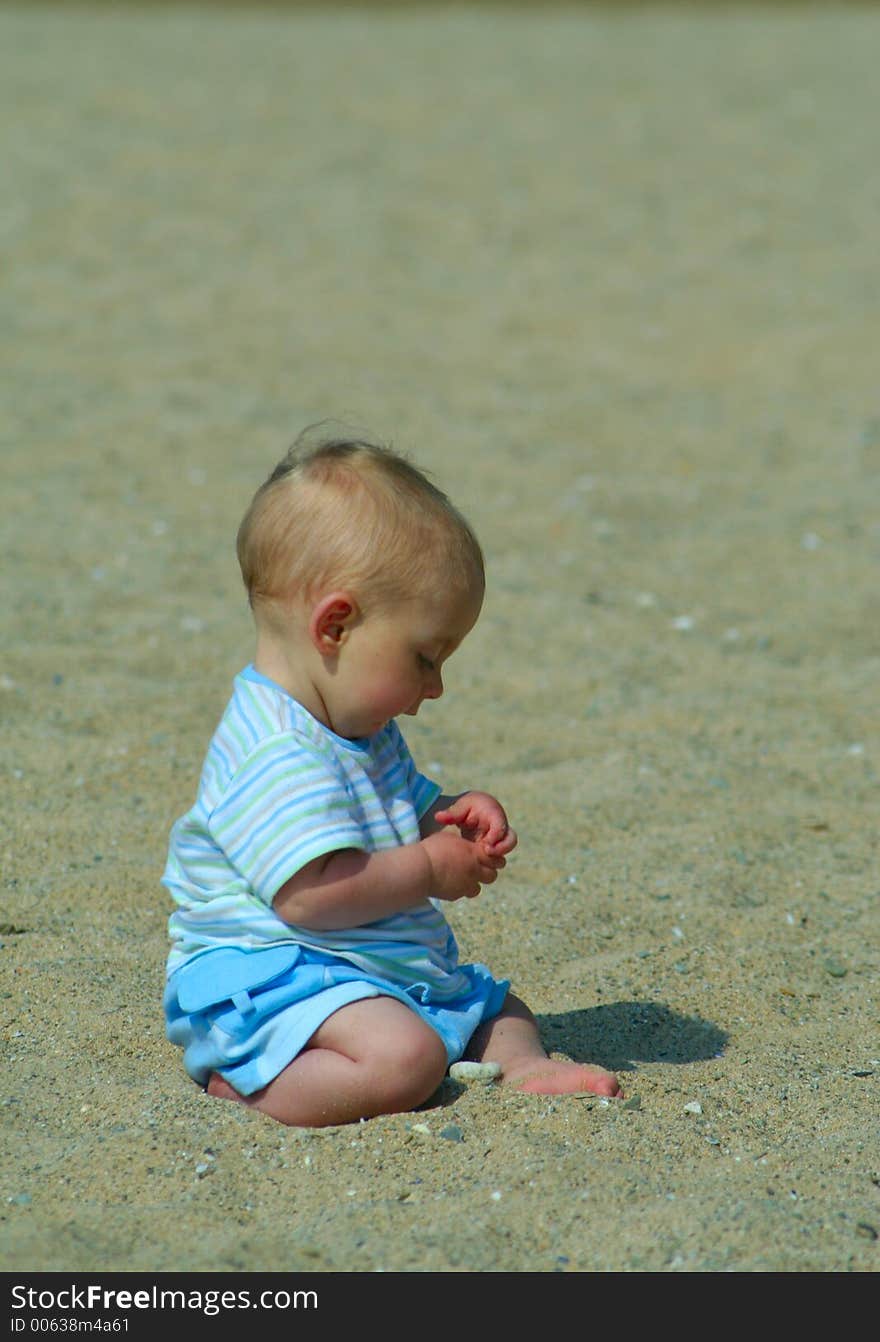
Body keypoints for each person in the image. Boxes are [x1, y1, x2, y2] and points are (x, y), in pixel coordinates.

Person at [162, 433, 621, 1126]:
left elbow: (400, 808)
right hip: (273, 977)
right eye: (425, 658)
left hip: (359, 967)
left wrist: (452, 813)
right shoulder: (275, 751)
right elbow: (311, 898)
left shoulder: (357, 728)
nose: (436, 687)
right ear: (337, 626)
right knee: (406, 1059)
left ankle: (523, 1064)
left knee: (501, 1009)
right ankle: (256, 1081)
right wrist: (431, 869)